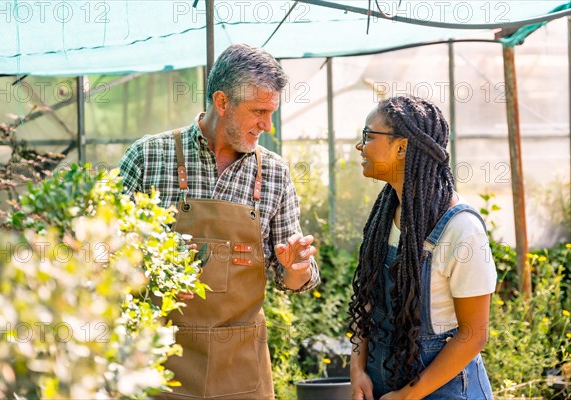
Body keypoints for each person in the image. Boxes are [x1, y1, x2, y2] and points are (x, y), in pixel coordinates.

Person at [119, 44, 320, 399]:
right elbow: (104, 254)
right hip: (159, 366)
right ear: (222, 102)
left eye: (271, 113)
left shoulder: (273, 173)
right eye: (258, 111)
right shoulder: (148, 157)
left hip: (241, 372)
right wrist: (147, 274)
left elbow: (295, 280)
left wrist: (296, 266)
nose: (267, 125)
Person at [348, 95, 496, 399]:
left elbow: (473, 336)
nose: (359, 146)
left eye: (368, 135)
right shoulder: (386, 214)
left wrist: (406, 396)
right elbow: (369, 302)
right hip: (383, 384)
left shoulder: (461, 229)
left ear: (401, 147)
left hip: (445, 391)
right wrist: (358, 369)